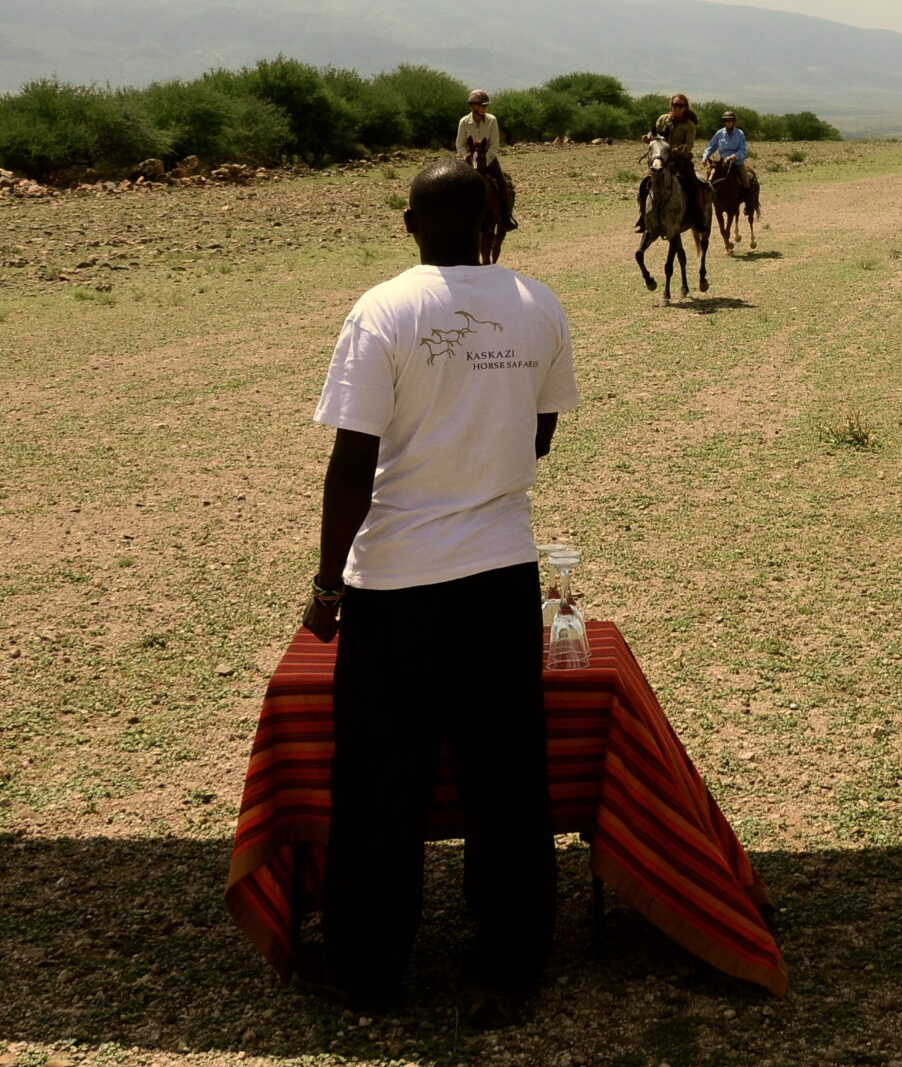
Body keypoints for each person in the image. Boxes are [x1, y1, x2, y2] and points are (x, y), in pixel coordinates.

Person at [299, 158, 580, 1023]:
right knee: (506, 774)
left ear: (412, 223)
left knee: (383, 779)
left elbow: (353, 463)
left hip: (397, 582)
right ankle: (510, 964)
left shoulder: (383, 308)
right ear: (494, 222)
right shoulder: (539, 305)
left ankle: (368, 968)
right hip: (501, 572)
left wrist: (325, 583)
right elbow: (538, 437)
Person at [456, 89, 518, 234]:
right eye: (482, 105)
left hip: (488, 159)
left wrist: (485, 161)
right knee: (455, 187)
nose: (485, 108)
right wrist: (467, 158)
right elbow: (460, 144)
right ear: (473, 106)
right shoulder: (464, 122)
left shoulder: (492, 120)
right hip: (470, 161)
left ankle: (506, 218)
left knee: (503, 185)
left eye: (486, 106)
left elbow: (495, 144)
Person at [639, 92, 704, 226]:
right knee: (644, 185)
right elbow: (655, 133)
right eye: (675, 105)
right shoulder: (663, 119)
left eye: (680, 105)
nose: (677, 108)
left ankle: (697, 218)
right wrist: (648, 137)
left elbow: (690, 144)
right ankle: (643, 218)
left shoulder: (689, 125)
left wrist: (681, 149)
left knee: (694, 186)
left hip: (681, 162)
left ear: (685, 107)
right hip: (662, 161)